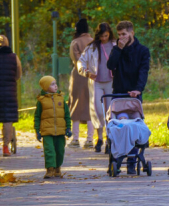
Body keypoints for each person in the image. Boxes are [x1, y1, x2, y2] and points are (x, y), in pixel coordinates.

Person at [85, 22, 116, 153]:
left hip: (111, 81)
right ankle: (99, 137)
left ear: (109, 33)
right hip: (96, 81)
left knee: (110, 111)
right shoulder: (92, 47)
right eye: (101, 36)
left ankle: (109, 138)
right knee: (98, 110)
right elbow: (81, 61)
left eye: (106, 35)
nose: (104, 38)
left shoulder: (115, 44)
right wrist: (86, 72)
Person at [34, 75, 69, 180]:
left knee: (59, 150)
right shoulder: (41, 101)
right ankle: (49, 169)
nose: (56, 86)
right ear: (45, 87)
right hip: (47, 131)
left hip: (60, 130)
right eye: (52, 84)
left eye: (55, 83)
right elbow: (37, 116)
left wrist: (68, 128)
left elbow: (67, 114)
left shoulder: (61, 99)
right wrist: (37, 130)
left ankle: (57, 168)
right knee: (49, 150)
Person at [67, 18, 94, 147]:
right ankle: (90, 139)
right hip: (93, 75)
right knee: (90, 106)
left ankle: (75, 139)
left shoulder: (75, 42)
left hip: (78, 75)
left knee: (76, 105)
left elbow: (75, 58)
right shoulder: (94, 41)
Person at [106, 20, 150, 98]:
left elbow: (143, 71)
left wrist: (138, 89)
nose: (121, 37)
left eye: (124, 34)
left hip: (134, 92)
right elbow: (110, 65)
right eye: (119, 35)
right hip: (118, 92)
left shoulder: (143, 50)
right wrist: (119, 49)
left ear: (132, 33)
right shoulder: (116, 49)